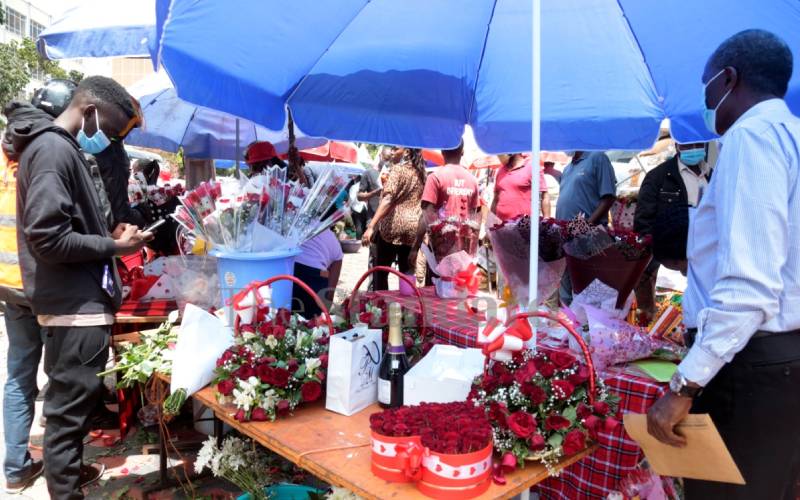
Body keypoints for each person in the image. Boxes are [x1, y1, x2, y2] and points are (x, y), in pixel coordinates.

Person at [646, 30, 800, 500]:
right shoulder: (791, 134)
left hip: (745, 367)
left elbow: (749, 287)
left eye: (706, 86)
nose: (706, 99)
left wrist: (684, 385)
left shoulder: (751, 138)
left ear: (728, 78)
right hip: (779, 360)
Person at [12, 76, 153, 499]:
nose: (108, 141)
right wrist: (114, 244)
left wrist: (110, 232)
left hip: (79, 300)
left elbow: (68, 228)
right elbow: (48, 237)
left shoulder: (61, 149)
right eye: (108, 131)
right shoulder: (54, 150)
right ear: (89, 111)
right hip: (74, 306)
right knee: (66, 419)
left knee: (71, 414)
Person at [633, 142, 710, 321]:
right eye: (688, 145)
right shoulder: (658, 177)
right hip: (666, 252)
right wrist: (654, 251)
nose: (693, 149)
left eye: (698, 144)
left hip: (703, 251)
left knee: (700, 302)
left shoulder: (713, 174)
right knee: (647, 312)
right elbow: (643, 221)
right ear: (677, 146)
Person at [555, 151, 617, 305]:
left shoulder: (598, 157)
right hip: (565, 236)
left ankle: (588, 327)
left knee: (591, 296)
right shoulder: (567, 168)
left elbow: (608, 198)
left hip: (592, 235)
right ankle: (569, 326)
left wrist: (585, 226)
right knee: (566, 293)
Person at [361, 147, 425, 291]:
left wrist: (371, 226)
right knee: (406, 273)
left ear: (407, 152)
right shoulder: (421, 173)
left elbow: (388, 199)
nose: (392, 152)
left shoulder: (398, 170)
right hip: (412, 229)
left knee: (381, 273)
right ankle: (407, 309)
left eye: (396, 149)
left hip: (392, 227)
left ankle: (381, 306)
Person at [420, 142, 479, 221]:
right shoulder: (473, 180)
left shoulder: (435, 177)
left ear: (442, 151)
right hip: (465, 232)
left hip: (439, 232)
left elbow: (427, 214)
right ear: (462, 152)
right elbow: (474, 214)